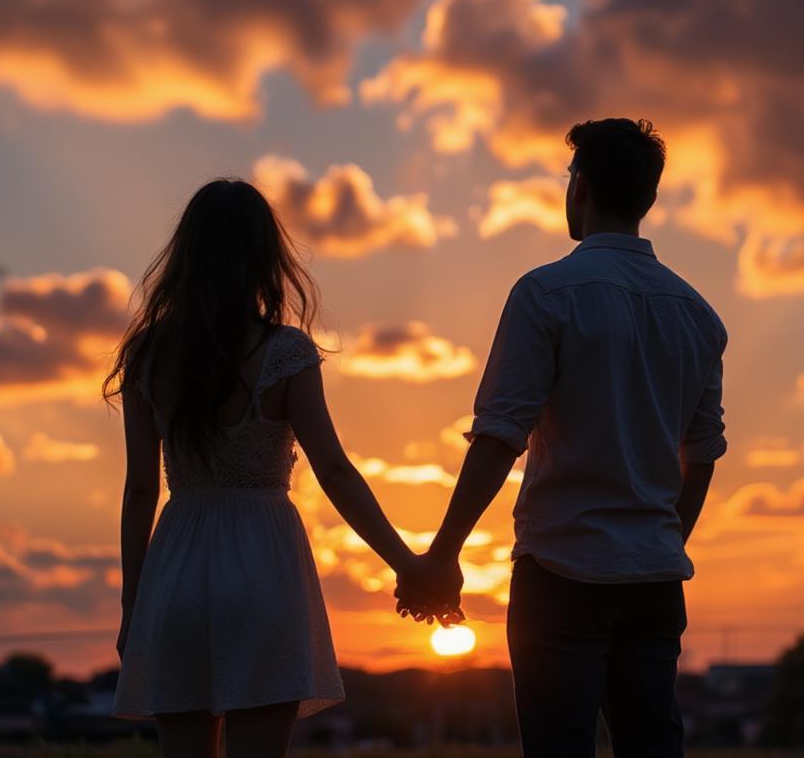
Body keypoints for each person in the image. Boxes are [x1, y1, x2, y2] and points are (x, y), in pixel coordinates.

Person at [396, 118, 728, 756]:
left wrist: (442, 555)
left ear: (580, 186)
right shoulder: (697, 314)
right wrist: (657, 540)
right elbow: (704, 455)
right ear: (647, 198)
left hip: (560, 574)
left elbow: (499, 436)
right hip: (654, 578)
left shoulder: (546, 294)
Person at [104, 178, 458, 758]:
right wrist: (410, 565)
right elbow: (336, 473)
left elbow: (140, 489)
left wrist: (133, 608)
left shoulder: (148, 354)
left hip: (175, 577)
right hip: (264, 573)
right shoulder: (286, 352)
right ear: (264, 258)